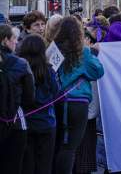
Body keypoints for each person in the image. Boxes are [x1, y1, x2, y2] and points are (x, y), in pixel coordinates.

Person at [53, 16, 104, 174]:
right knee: (70, 147)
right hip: (78, 102)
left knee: (61, 143)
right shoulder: (83, 51)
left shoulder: (53, 49)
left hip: (58, 101)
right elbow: (98, 71)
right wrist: (93, 53)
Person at [18, 35, 60, 174]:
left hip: (26, 122)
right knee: (45, 165)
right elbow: (56, 92)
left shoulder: (20, 70)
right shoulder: (49, 70)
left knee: (27, 165)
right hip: (46, 122)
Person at [0, 24, 35, 173]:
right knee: (14, 165)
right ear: (5, 41)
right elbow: (30, 96)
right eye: (14, 38)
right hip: (15, 122)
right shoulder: (21, 64)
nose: (16, 42)